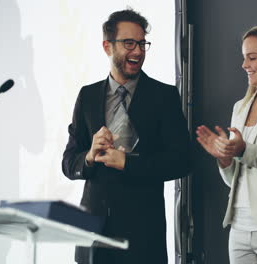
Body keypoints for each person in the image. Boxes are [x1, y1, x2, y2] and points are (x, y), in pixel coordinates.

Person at [62, 9, 190, 264]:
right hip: (94, 236)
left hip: (143, 238)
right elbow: (68, 163)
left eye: (142, 43)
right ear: (107, 46)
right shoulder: (87, 96)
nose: (138, 51)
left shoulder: (164, 97)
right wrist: (89, 156)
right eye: (129, 43)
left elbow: (183, 161)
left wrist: (127, 162)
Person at [196, 26, 257, 264]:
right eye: (244, 58)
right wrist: (225, 158)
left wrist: (243, 151)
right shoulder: (239, 107)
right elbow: (234, 179)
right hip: (238, 226)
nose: (244, 65)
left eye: (252, 57)